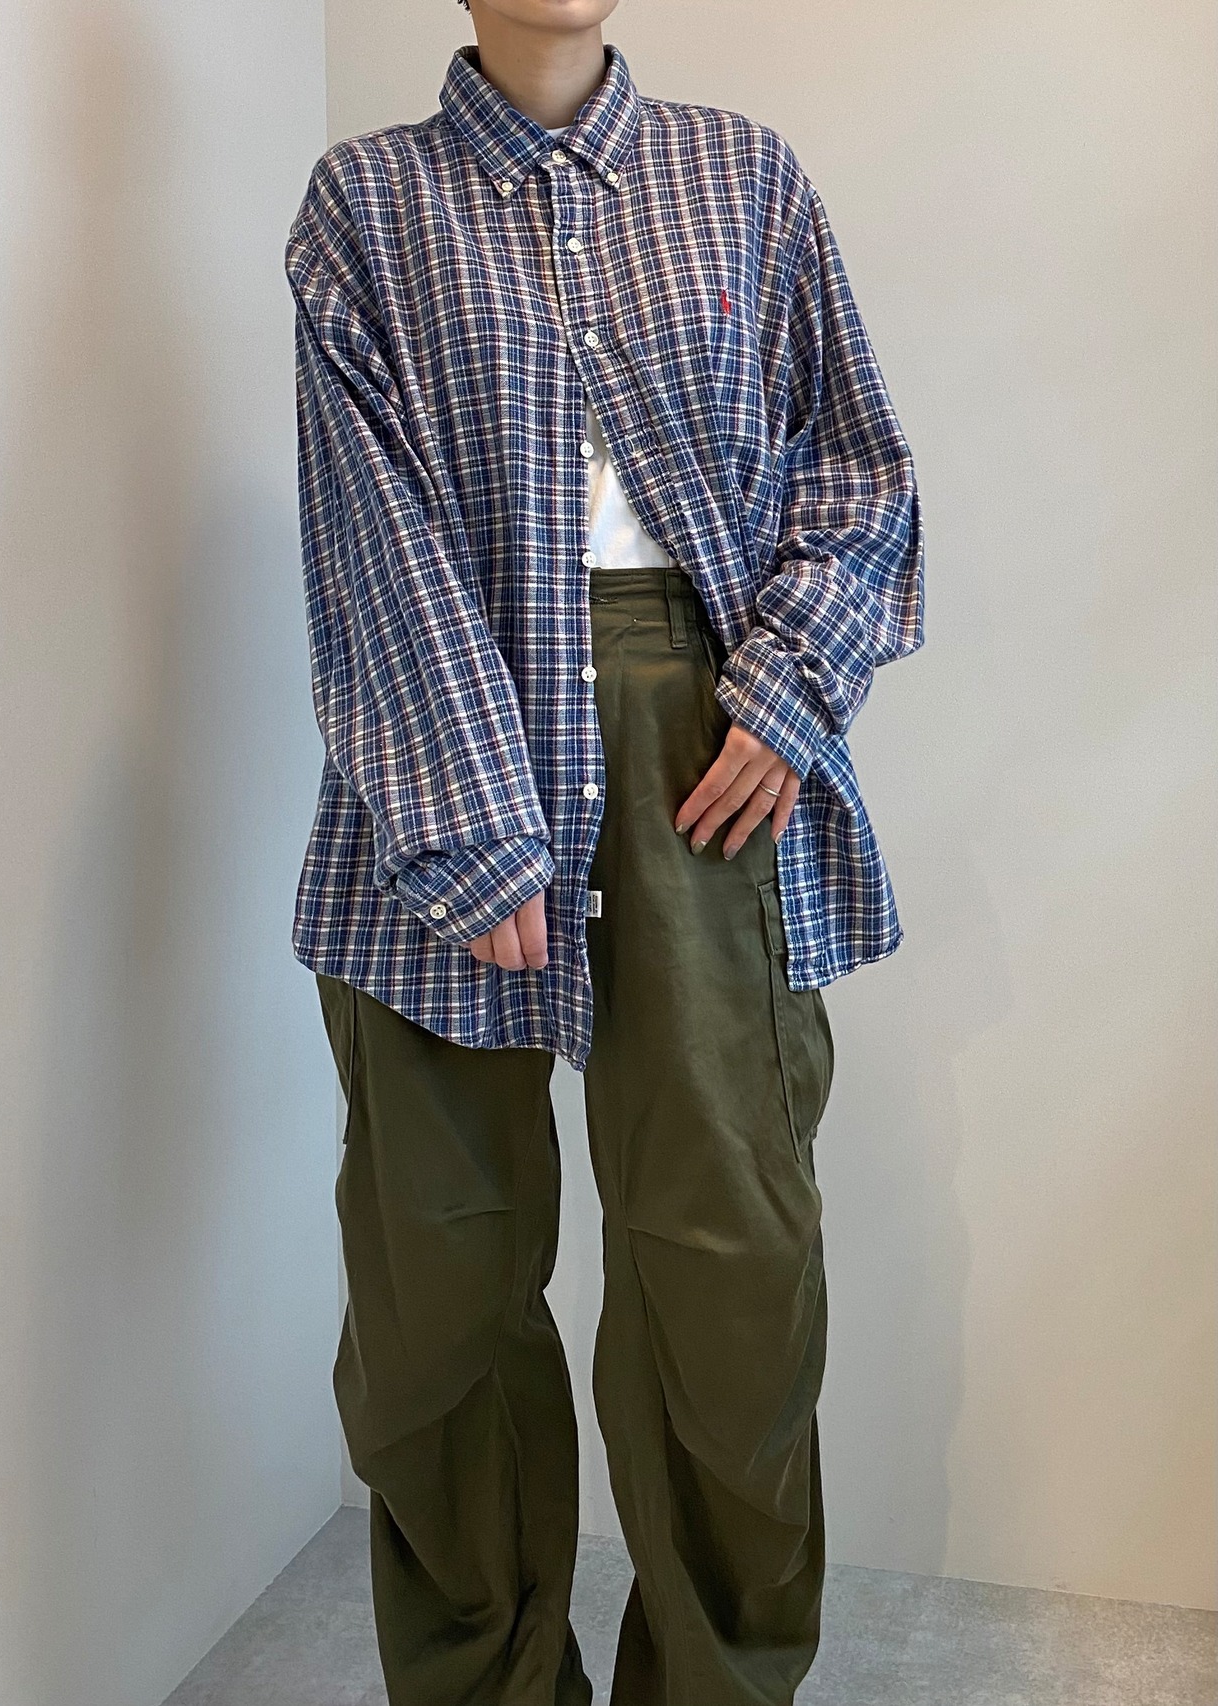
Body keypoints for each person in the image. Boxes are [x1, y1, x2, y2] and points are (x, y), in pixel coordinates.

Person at [284, 2, 924, 1700]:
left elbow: (859, 474)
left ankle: (714, 1680)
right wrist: (471, 818)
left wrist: (785, 687)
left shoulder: (744, 178)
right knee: (438, 1274)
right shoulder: (370, 202)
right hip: (444, 736)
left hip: (705, 756)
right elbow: (367, 529)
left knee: (729, 1266)